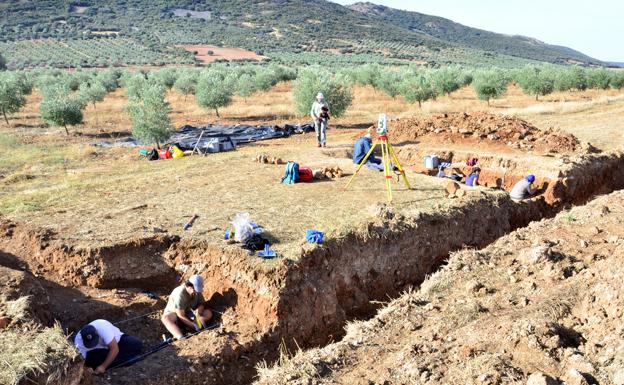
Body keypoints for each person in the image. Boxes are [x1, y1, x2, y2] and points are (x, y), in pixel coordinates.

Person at [74, 319, 143, 374]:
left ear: (97, 333)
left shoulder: (102, 328)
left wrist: (103, 366)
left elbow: (114, 349)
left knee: (136, 344)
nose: (93, 344)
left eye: (94, 341)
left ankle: (123, 361)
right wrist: (87, 369)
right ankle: (128, 360)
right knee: (93, 360)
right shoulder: (78, 342)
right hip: (100, 353)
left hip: (117, 343)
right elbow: (81, 362)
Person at [161, 275, 213, 340]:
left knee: (208, 312)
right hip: (176, 316)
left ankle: (192, 325)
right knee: (166, 318)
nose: (196, 293)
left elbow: (201, 304)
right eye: (194, 290)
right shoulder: (179, 294)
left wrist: (199, 311)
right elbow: (181, 316)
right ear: (188, 286)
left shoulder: (197, 291)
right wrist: (195, 327)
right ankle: (181, 337)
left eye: (197, 291)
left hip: (189, 314)